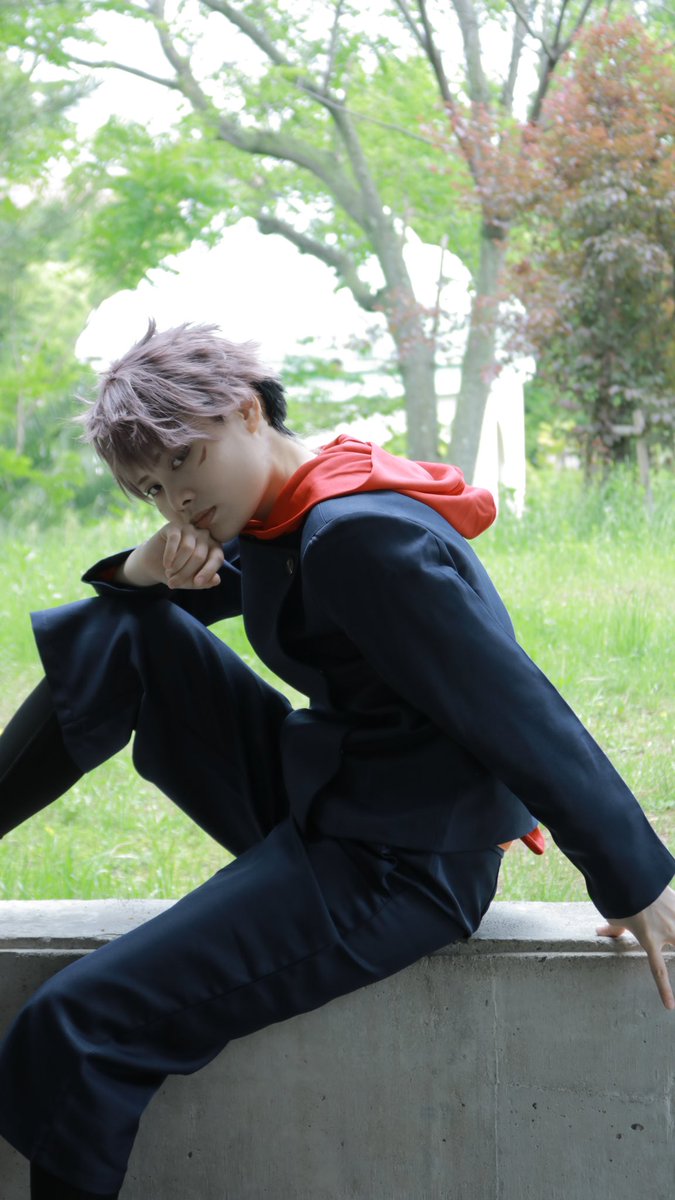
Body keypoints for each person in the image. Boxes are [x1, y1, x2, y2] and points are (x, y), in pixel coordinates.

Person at [0, 320, 673, 1200]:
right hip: (334, 796)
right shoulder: (289, 509)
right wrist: (144, 566)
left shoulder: (354, 534)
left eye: (185, 464)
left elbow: (515, 712)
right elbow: (167, 610)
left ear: (247, 411)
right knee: (119, 629)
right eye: (153, 489)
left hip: (400, 866)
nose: (177, 503)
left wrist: (632, 876)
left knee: (75, 1024)